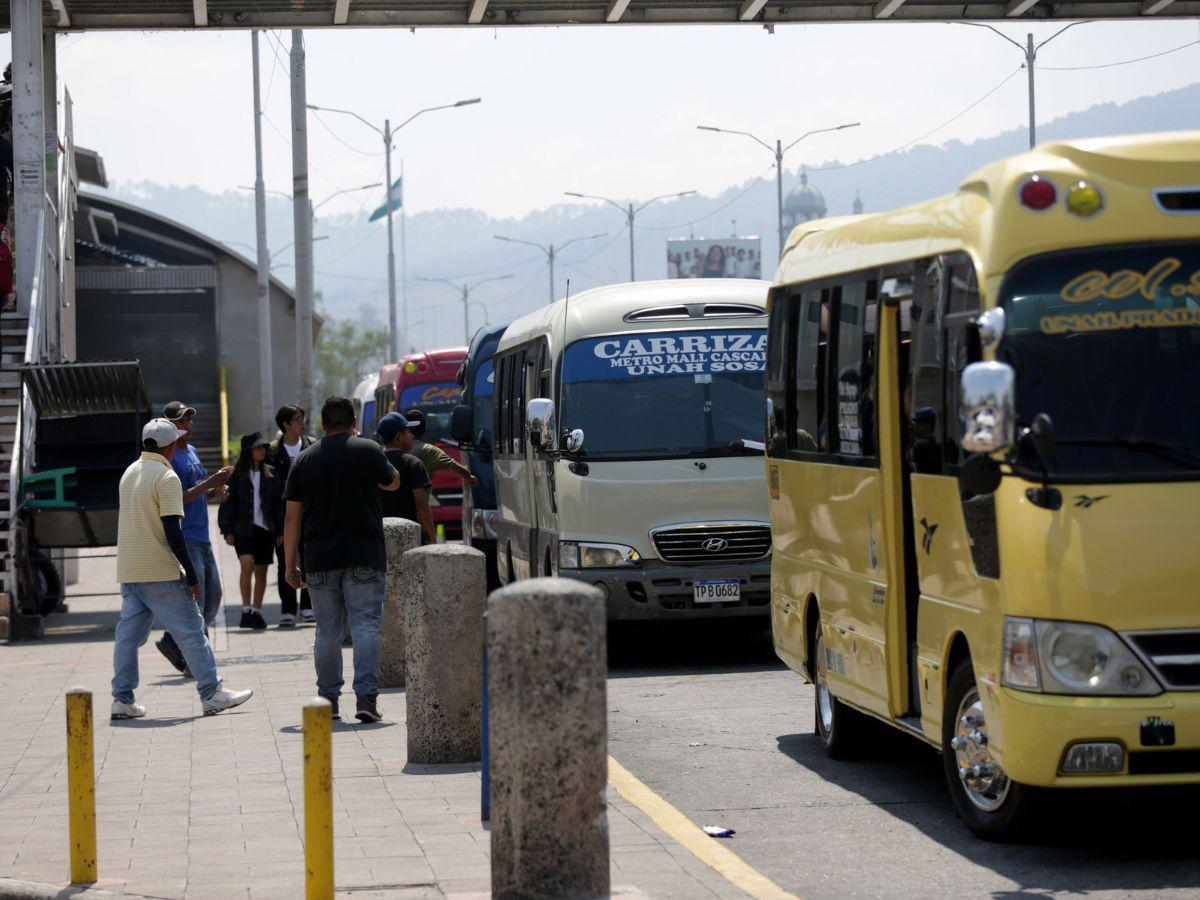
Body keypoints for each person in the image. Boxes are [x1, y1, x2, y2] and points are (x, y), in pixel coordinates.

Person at [111, 418, 253, 720]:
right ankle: (211, 692)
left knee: (127, 639)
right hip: (161, 570)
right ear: (171, 445)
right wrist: (191, 574)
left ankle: (122, 699)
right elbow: (173, 530)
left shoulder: (130, 472)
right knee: (192, 633)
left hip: (131, 570)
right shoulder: (167, 477)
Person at [283, 396, 402, 723]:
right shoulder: (368, 450)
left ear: (323, 424)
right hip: (364, 554)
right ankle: (366, 698)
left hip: (319, 558)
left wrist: (290, 564)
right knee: (365, 626)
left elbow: (292, 517)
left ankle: (328, 700)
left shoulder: (304, 459)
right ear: (354, 423)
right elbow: (393, 482)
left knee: (327, 631)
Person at [154, 400, 233, 677]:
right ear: (168, 427)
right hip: (185, 536)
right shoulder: (169, 458)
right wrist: (210, 483)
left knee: (214, 597)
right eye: (181, 421)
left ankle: (173, 640)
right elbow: (177, 497)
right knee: (196, 601)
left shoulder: (193, 451)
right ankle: (197, 662)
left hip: (202, 535)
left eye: (188, 420)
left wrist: (215, 491)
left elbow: (196, 491)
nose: (187, 425)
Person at [219, 433, 283, 630]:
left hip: (266, 529)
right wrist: (227, 530)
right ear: (248, 450)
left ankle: (256, 611)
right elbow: (228, 503)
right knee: (246, 565)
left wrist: (281, 531)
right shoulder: (237, 474)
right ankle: (246, 609)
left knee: (262, 571)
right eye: (258, 447)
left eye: (264, 447)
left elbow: (278, 504)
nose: (262, 451)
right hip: (243, 529)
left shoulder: (270, 473)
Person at [268, 404, 316, 627]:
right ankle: (288, 609)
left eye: (303, 419)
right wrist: (275, 525)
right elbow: (267, 492)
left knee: (308, 560)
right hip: (283, 518)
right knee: (284, 563)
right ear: (286, 424)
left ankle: (307, 607)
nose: (302, 423)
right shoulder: (272, 452)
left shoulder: (312, 446)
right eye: (298, 419)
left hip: (310, 515)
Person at [376, 412, 436, 544]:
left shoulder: (374, 463)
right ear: (398, 436)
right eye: (408, 432)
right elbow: (421, 505)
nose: (412, 436)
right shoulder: (413, 463)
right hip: (409, 537)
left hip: (379, 538)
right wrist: (432, 539)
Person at [403, 408, 478, 492]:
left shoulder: (396, 449)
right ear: (425, 430)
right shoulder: (429, 450)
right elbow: (456, 467)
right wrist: (470, 477)